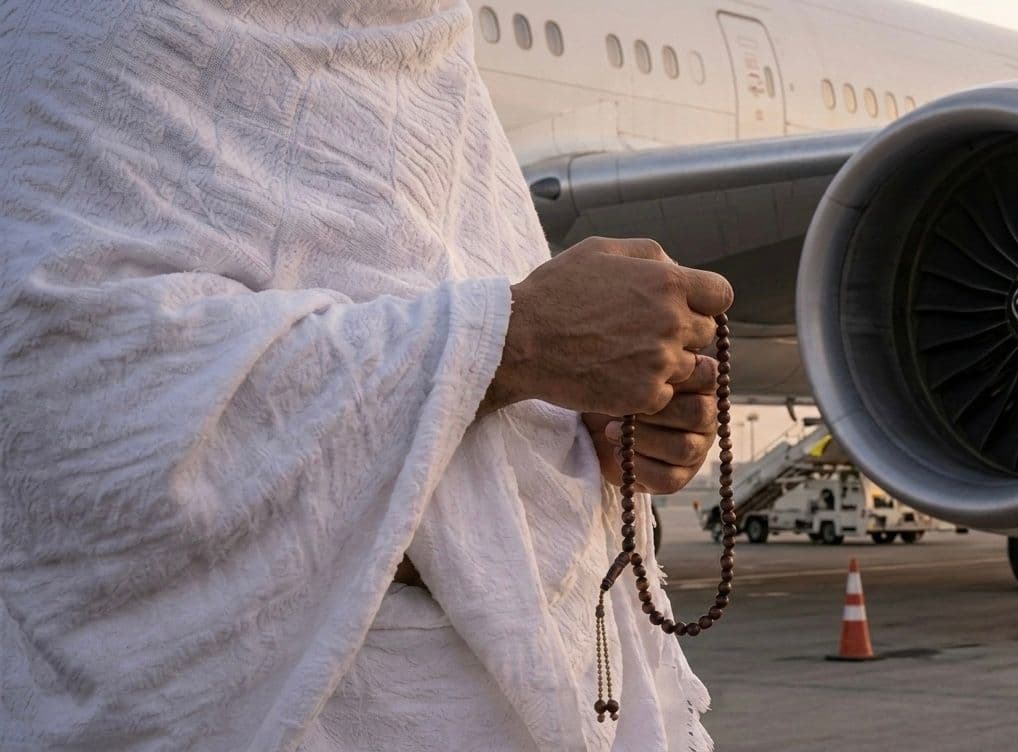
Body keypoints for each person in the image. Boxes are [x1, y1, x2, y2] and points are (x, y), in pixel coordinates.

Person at [0, 2, 730, 750]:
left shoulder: (435, 50)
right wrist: (520, 341)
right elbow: (65, 402)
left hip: (516, 690)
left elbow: (453, 323)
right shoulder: (92, 29)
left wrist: (584, 424)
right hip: (311, 700)